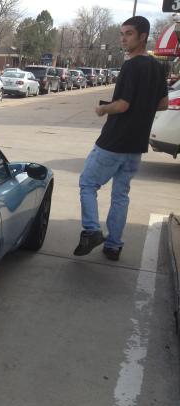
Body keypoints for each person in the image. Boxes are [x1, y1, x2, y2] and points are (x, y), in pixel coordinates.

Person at [74, 16, 168, 261]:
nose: (123, 39)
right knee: (120, 195)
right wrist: (142, 109)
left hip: (114, 141)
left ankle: (92, 230)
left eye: (128, 34)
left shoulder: (131, 65)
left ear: (142, 36)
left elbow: (123, 105)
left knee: (87, 184)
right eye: (122, 33)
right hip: (136, 145)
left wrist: (103, 109)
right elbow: (163, 104)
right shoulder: (158, 67)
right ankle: (114, 245)